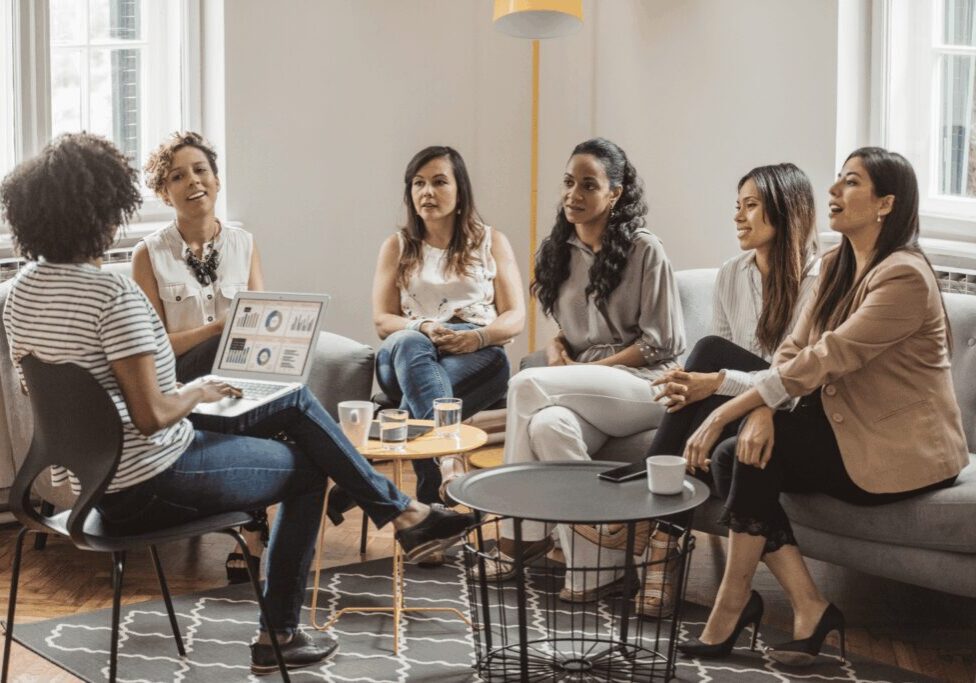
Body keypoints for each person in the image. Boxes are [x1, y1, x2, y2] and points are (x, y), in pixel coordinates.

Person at [0, 132, 474, 676]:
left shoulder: (23, 290)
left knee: (292, 402)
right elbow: (152, 414)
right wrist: (198, 392)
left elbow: (60, 396)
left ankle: (402, 512)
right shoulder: (112, 296)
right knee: (306, 470)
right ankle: (284, 632)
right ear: (100, 208)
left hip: (88, 482)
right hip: (150, 481)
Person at [677, 147, 968, 665]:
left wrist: (726, 411)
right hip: (846, 428)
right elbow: (794, 349)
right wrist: (762, 410)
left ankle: (731, 606)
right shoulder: (836, 264)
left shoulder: (904, 277)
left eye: (850, 183)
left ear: (885, 204)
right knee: (734, 456)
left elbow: (829, 357)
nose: (833, 191)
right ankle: (809, 605)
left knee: (742, 448)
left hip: (904, 452)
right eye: (837, 180)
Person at [611, 163, 818, 618]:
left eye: (751, 206)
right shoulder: (732, 273)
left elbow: (797, 382)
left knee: (704, 355)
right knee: (706, 362)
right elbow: (726, 360)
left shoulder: (817, 281)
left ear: (784, 211)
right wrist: (710, 383)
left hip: (794, 410)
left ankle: (656, 528)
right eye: (736, 206)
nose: (738, 217)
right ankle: (663, 538)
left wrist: (716, 382)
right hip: (747, 404)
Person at [497, 137, 686, 602]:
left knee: (525, 383)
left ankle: (518, 535)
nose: (573, 194)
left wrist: (586, 365)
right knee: (548, 426)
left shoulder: (645, 250)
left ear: (615, 194)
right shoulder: (559, 251)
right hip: (588, 388)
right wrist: (560, 349)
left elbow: (662, 341)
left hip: (647, 387)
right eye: (567, 182)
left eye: (588, 184)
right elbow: (568, 330)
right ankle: (596, 572)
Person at [133, 131, 266, 584]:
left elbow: (261, 323)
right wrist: (214, 330)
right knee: (223, 358)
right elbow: (151, 347)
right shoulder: (147, 254)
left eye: (200, 170)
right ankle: (258, 523)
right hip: (182, 377)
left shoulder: (244, 244)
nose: (193, 181)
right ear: (163, 191)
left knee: (269, 387)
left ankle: (252, 531)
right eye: (177, 175)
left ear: (216, 179)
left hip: (240, 371)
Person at [371, 145, 525, 506]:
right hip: (403, 352)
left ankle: (431, 508)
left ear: (460, 192)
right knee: (410, 344)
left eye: (440, 182)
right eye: (418, 183)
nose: (427, 192)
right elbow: (382, 321)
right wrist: (423, 326)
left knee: (423, 397)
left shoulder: (491, 242)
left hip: (474, 352)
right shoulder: (397, 246)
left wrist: (478, 337)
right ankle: (450, 460)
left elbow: (515, 315)